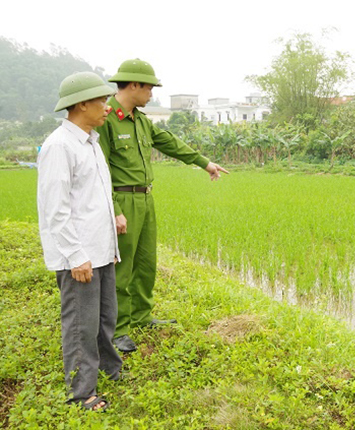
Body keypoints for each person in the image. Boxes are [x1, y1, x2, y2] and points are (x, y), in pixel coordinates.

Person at [97, 59, 229, 353]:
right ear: (133, 85)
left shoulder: (141, 121)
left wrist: (204, 163)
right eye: (149, 88)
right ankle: (118, 329)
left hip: (146, 198)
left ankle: (142, 316)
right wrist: (115, 208)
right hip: (123, 200)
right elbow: (100, 168)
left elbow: (171, 143)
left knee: (145, 262)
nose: (152, 94)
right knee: (123, 267)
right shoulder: (106, 120)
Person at [37, 72, 122, 411]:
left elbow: (92, 193)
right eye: (102, 101)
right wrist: (75, 255)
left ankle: (109, 370)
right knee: (80, 326)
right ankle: (81, 393)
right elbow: (55, 209)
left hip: (100, 248)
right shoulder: (60, 146)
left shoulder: (91, 141)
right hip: (79, 255)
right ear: (82, 104)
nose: (107, 107)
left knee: (105, 318)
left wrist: (114, 219)